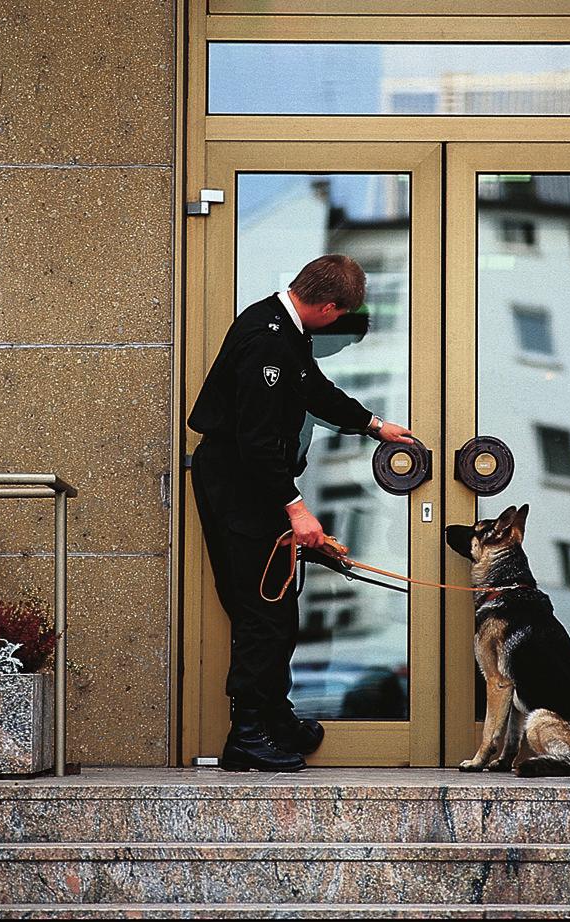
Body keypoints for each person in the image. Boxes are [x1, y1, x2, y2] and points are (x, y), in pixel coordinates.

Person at [188, 255, 414, 772]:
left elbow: (312, 389)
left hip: (251, 482)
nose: (338, 325)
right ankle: (245, 736)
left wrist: (373, 424)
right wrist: (296, 509)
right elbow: (257, 442)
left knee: (279, 610)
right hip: (240, 485)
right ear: (327, 305)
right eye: (340, 316)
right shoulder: (265, 340)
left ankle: (273, 714)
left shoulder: (285, 330)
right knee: (262, 613)